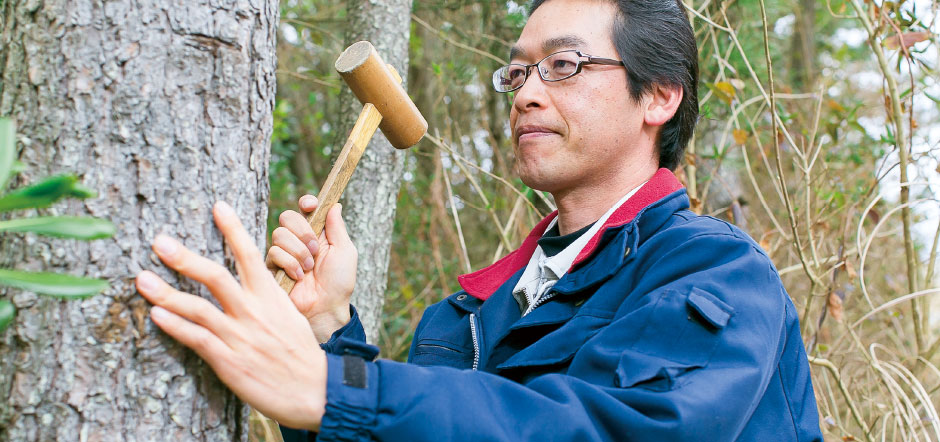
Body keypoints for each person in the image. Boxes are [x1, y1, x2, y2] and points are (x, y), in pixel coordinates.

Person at [134, 0, 824, 440]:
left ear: (660, 97)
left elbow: (613, 431)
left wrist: (333, 389)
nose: (526, 93)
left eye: (563, 65)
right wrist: (329, 333)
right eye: (518, 73)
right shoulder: (464, 315)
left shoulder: (715, 273)